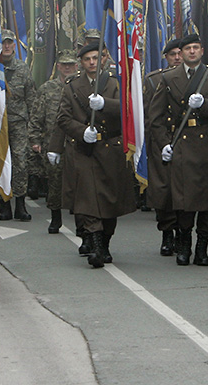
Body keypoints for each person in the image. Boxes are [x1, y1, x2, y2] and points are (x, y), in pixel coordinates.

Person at [148, 33, 208, 266]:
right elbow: (156, 117)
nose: (192, 52)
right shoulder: (168, 78)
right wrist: (164, 143)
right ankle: (183, 243)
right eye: (187, 49)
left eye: (196, 47)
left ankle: (202, 248)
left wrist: (205, 104)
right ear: (181, 53)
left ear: (202, 50)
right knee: (185, 200)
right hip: (183, 143)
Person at [57, 41, 135, 268]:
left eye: (96, 58)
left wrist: (106, 105)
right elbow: (63, 118)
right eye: (87, 59)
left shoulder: (116, 82)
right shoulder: (72, 86)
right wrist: (82, 131)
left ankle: (105, 242)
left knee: (109, 203)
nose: (92, 62)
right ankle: (97, 246)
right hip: (85, 151)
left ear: (104, 58)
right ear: (81, 63)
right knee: (88, 201)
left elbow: (130, 111)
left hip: (110, 149)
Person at [29, 51, 77, 234]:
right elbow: (36, 115)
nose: (67, 68)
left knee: (79, 183)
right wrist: (34, 139)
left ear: (76, 66)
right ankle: (55, 218)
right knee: (54, 183)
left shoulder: (81, 87)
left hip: (77, 144)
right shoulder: (47, 89)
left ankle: (81, 220)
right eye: (64, 65)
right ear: (58, 66)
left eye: (71, 64)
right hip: (53, 144)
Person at [144, 38, 182, 255]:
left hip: (187, 141)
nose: (176, 58)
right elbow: (151, 116)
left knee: (184, 190)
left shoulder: (197, 77)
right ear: (165, 57)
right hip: (161, 142)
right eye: (172, 54)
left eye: (179, 53)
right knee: (163, 191)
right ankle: (167, 232)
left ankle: (182, 232)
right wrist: (162, 142)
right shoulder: (153, 80)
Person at [0, 29, 36, 221]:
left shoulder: (22, 68)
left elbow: (31, 98)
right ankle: (3, 204)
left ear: (14, 45)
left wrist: (33, 127)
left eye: (9, 43)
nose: (6, 46)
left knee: (20, 162)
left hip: (19, 123)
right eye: (3, 43)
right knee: (1, 163)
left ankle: (20, 204)